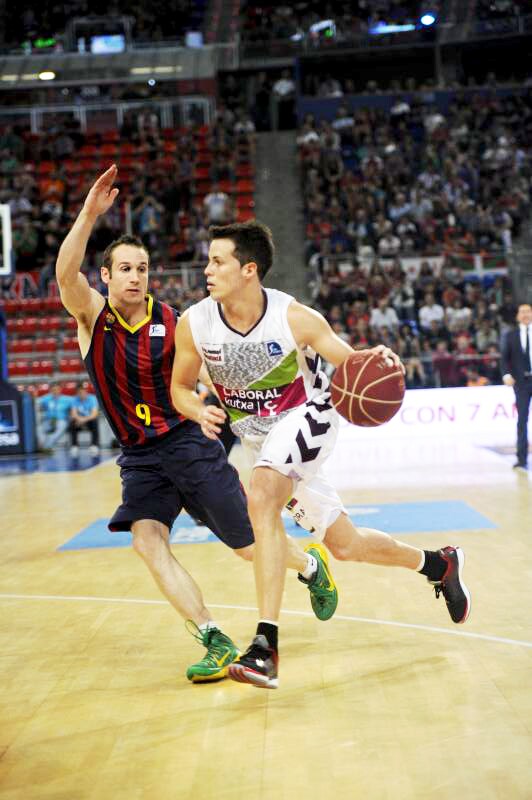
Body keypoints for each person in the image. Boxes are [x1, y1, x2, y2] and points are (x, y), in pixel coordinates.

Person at [55, 165, 338, 684]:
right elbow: (65, 275)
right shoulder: (93, 319)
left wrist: (221, 400)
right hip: (139, 457)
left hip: (188, 444)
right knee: (146, 540)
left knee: (247, 546)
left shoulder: (178, 321)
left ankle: (311, 566)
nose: (135, 276)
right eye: (124, 269)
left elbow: (207, 371)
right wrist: (90, 214)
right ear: (107, 277)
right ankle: (213, 637)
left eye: (142, 268)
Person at [171, 221, 471, 690]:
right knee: (345, 545)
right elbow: (179, 387)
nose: (206, 269)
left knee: (263, 494)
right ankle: (439, 564)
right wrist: (197, 409)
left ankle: (264, 647)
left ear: (248, 269)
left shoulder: (296, 318)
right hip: (257, 440)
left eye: (217, 260)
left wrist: (378, 359)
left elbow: (351, 365)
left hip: (307, 418)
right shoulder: (195, 322)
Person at [501, 302, 532, 471]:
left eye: (528, 311)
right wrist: (506, 374)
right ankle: (521, 458)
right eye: (523, 312)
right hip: (521, 383)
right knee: (522, 420)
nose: (526, 314)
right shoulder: (511, 335)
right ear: (518, 316)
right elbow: (505, 358)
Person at [37, 383, 72, 451]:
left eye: (57, 390)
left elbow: (77, 403)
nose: (55, 391)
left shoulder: (68, 399)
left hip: (61, 420)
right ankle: (44, 445)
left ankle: (46, 447)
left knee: (59, 430)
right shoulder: (46, 398)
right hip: (48, 420)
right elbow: (37, 402)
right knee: (38, 429)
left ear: (60, 390)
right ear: (50, 390)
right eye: (53, 390)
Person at [69, 384, 100, 456]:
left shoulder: (92, 398)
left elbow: (94, 414)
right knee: (72, 422)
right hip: (79, 421)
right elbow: (74, 413)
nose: (82, 394)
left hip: (88, 420)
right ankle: (74, 446)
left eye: (83, 392)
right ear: (77, 393)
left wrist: (83, 420)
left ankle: (94, 445)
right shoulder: (74, 400)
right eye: (80, 392)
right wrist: (79, 419)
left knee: (95, 421)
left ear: (86, 392)